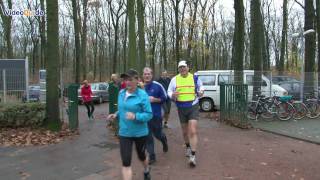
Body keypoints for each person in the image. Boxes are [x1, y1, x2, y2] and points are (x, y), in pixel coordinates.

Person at [107, 69, 152, 180]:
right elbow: (123, 109)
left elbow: (149, 114)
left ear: (137, 80)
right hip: (124, 133)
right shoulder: (121, 93)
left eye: (130, 79)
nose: (127, 82)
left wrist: (135, 116)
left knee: (142, 156)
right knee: (126, 162)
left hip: (140, 133)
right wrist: (116, 114)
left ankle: (146, 170)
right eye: (125, 79)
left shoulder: (142, 95)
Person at [167, 60, 204, 167]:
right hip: (181, 107)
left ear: (188, 67)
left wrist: (201, 92)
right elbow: (169, 91)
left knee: (192, 130)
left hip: (193, 105)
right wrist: (172, 95)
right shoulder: (174, 79)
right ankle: (188, 146)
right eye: (180, 67)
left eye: (184, 67)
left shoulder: (195, 78)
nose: (182, 69)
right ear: (178, 69)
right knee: (184, 132)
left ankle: (193, 155)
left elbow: (201, 87)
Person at [142, 67, 168, 165]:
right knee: (148, 136)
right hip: (144, 117)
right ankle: (152, 156)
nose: (147, 75)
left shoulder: (158, 85)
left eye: (148, 74)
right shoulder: (139, 87)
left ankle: (164, 140)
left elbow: (165, 98)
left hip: (156, 115)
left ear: (151, 75)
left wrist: (154, 99)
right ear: (142, 75)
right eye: (145, 74)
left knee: (158, 134)